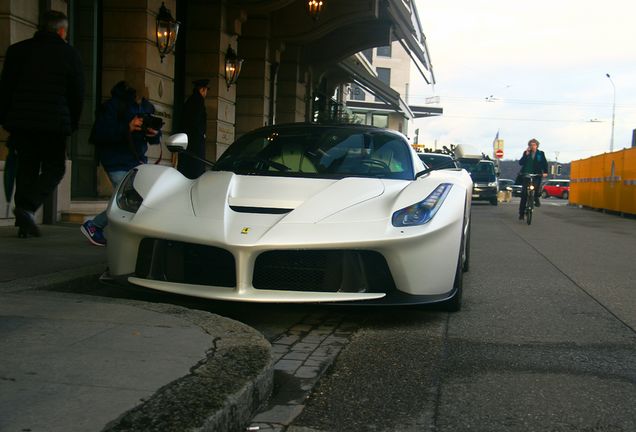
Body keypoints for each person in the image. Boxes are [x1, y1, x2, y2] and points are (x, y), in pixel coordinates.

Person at [0, 10, 84, 238]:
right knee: (55, 167)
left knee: (26, 167)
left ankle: (24, 218)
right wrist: (73, 122)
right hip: (53, 124)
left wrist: (6, 119)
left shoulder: (17, 51)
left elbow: (5, 89)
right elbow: (77, 94)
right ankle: (27, 207)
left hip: (22, 123)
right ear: (62, 30)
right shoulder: (69, 55)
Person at [80, 81, 162, 246]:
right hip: (115, 160)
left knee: (133, 199)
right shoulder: (112, 106)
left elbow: (152, 139)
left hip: (136, 161)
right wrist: (128, 127)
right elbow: (101, 134)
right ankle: (95, 225)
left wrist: (153, 133)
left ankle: (100, 226)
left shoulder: (146, 107)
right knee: (128, 199)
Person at [177, 78, 209, 179]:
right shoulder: (198, 102)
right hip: (195, 143)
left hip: (188, 142)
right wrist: (202, 134)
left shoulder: (190, 101)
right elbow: (197, 122)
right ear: (203, 90)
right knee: (195, 170)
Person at [518, 138, 548, 220]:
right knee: (524, 194)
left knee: (536, 188)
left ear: (537, 145)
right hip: (526, 175)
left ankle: (536, 198)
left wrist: (545, 172)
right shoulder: (526, 153)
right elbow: (521, 163)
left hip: (536, 175)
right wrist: (526, 154)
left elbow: (544, 163)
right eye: (531, 145)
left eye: (534, 145)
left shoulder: (540, 153)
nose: (532, 146)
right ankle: (521, 213)